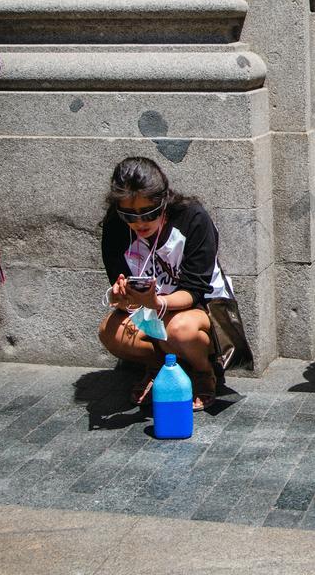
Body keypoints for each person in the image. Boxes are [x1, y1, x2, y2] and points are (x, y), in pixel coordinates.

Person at [98, 156, 230, 411]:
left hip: (203, 308)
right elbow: (119, 278)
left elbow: (195, 291)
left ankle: (204, 371)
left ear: (164, 201)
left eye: (149, 212)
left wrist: (157, 302)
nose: (140, 222)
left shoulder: (192, 218)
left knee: (180, 329)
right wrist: (121, 296)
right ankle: (160, 367)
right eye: (129, 214)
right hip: (148, 310)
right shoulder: (116, 225)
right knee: (110, 332)